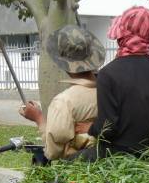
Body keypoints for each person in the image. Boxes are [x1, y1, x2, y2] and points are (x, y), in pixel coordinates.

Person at [73, 6, 149, 161]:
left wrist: (90, 128)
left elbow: (108, 128)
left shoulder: (108, 73)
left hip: (120, 155)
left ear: (122, 34)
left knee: (63, 163)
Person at [19, 25, 105, 160]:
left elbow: (53, 152)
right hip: (109, 165)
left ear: (62, 62)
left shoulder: (64, 102)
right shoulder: (110, 91)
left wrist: (39, 119)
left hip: (77, 174)